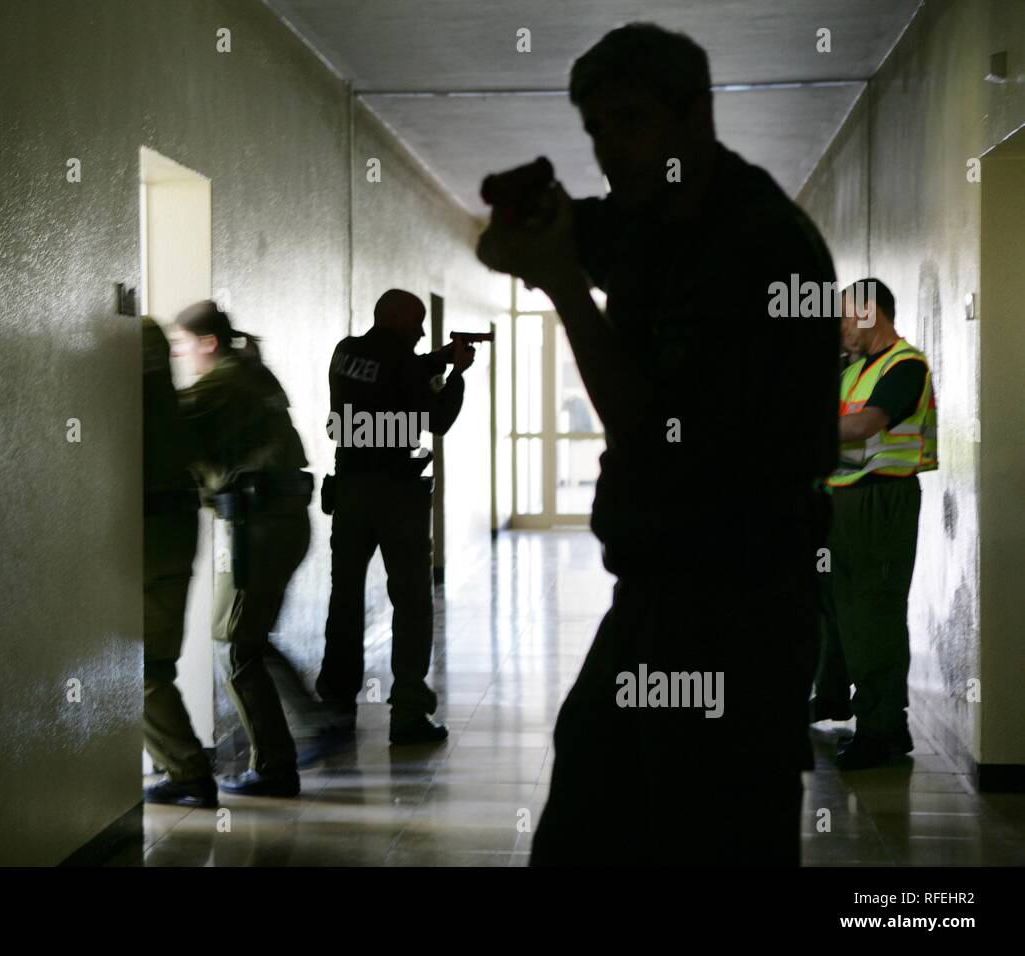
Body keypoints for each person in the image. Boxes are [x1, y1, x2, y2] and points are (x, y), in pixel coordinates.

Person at [477, 23, 838, 865]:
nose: (610, 150)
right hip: (657, 593)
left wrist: (561, 279)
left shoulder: (763, 246)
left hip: (738, 606)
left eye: (629, 123)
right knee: (583, 827)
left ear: (696, 116)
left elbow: (654, 429)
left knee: (711, 829)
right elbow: (534, 240)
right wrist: (532, 224)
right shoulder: (651, 216)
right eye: (596, 129)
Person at [308, 289, 476, 755]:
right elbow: (435, 419)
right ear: (398, 318)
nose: (423, 331)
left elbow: (387, 380)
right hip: (397, 496)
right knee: (412, 600)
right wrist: (456, 374)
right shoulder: (403, 363)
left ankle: (337, 703)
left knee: (345, 597)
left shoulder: (345, 352)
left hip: (351, 492)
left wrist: (433, 360)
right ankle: (407, 711)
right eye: (418, 322)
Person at [170, 300, 314, 797]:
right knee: (249, 636)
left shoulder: (225, 381)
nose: (179, 356)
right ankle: (316, 725)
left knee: (235, 642)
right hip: (279, 522)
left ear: (208, 343)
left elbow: (168, 426)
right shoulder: (252, 372)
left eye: (181, 345)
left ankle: (276, 768)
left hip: (259, 526)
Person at [813, 279, 937, 769]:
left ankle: (882, 729)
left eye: (846, 316)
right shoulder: (852, 371)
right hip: (841, 501)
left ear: (871, 313)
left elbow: (864, 427)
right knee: (838, 608)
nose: (841, 326)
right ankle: (836, 702)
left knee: (872, 613)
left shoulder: (904, 366)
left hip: (880, 501)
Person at [141, 316, 219, 808]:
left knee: (143, 668)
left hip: (146, 542)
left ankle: (187, 768)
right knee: (154, 662)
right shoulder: (174, 405)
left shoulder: (120, 411)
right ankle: (183, 765)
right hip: (176, 538)